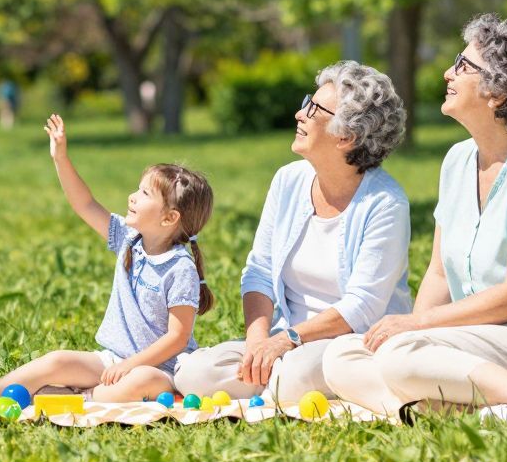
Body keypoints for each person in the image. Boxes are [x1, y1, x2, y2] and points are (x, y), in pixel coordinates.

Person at [323, 15, 507, 425]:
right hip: (483, 340)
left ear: (498, 92)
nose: (448, 72)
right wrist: (411, 329)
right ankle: (458, 412)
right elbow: (440, 274)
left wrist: (416, 328)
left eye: (462, 65)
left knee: (402, 357)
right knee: (342, 355)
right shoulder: (457, 160)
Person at [175, 62, 411, 404]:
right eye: (307, 102)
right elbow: (259, 272)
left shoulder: (386, 202)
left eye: (314, 108)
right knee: (194, 373)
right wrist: (258, 342)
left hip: (348, 342)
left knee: (295, 377)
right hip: (283, 340)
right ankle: (269, 381)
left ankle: (277, 383)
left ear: (346, 136)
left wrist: (288, 340)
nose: (301, 113)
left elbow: (362, 307)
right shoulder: (289, 180)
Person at [0, 114, 214, 402]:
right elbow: (84, 203)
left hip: (160, 370)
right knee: (56, 361)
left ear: (170, 218)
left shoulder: (180, 268)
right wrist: (60, 157)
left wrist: (131, 365)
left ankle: (80, 397)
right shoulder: (128, 239)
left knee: (141, 380)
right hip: (113, 360)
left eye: (144, 193)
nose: (132, 197)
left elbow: (178, 338)